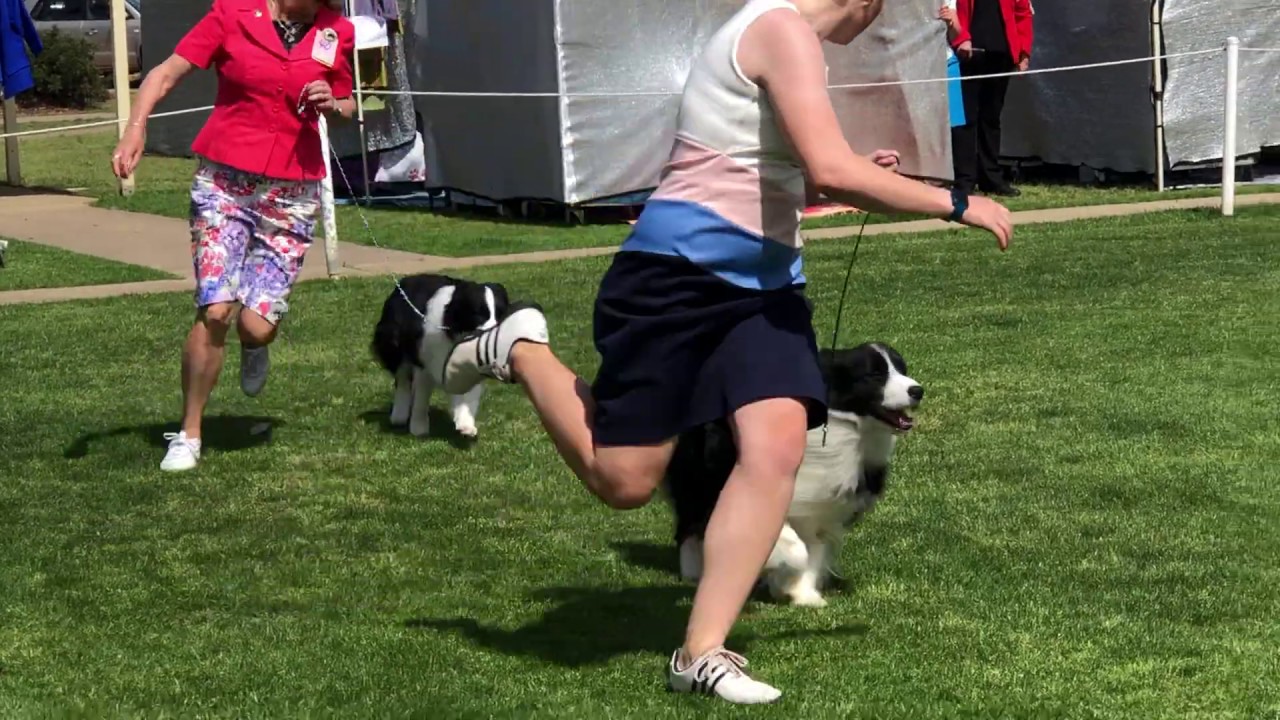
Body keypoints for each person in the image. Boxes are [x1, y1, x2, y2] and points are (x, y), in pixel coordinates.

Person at [433, 0, 1013, 705]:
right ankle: (519, 346)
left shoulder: (786, 37)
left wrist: (848, 172)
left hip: (763, 292)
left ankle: (700, 654)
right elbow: (831, 171)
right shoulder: (780, 30)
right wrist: (955, 201)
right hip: (674, 283)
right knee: (625, 482)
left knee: (775, 446)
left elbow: (770, 167)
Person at [111, 0, 356, 472]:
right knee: (217, 307)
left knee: (256, 325)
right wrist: (134, 128)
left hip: (292, 193)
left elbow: (347, 102)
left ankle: (253, 345)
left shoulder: (335, 30)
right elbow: (165, 72)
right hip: (224, 184)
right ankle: (190, 433)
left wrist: (334, 101)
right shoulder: (232, 13)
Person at [942, 0, 1034, 197]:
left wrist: (1023, 51)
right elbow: (949, 9)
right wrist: (961, 38)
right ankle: (965, 179)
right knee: (965, 121)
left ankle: (990, 178)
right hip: (967, 54)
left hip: (1001, 55)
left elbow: (1022, 11)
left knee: (991, 119)